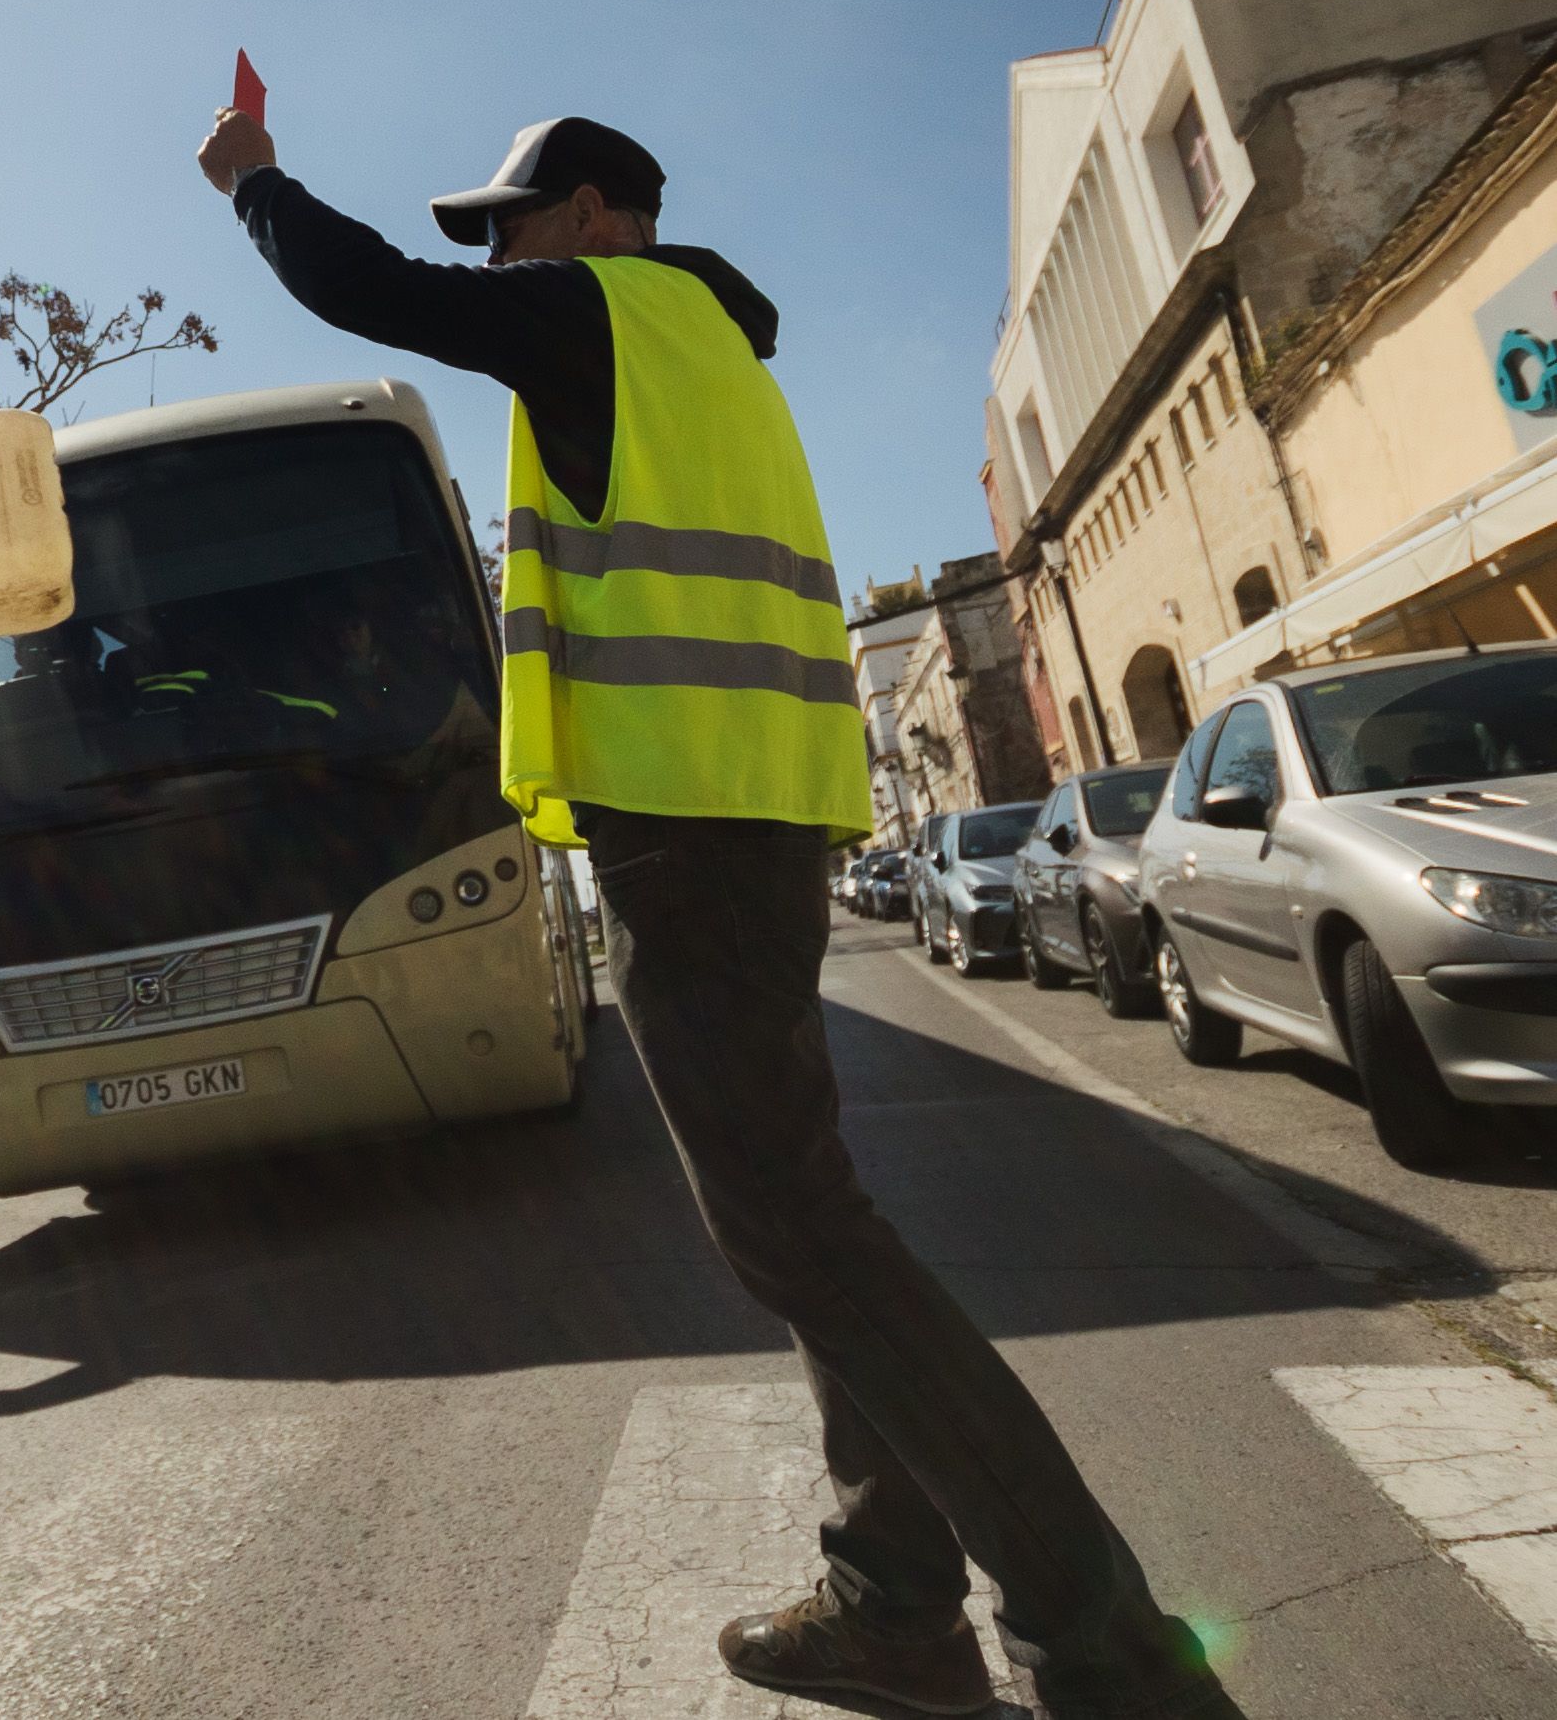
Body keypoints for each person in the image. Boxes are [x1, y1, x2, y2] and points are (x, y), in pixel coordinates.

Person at [197, 109, 1241, 1720]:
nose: (495, 256)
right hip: (743, 816)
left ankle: (1098, 1637)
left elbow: (370, 290)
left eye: (512, 223)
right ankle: (890, 1600)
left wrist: (251, 182)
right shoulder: (712, 346)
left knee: (796, 1234)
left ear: (594, 214)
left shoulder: (597, 314)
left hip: (685, 832)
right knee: (810, 1226)